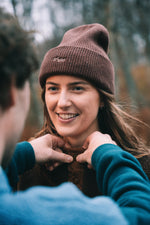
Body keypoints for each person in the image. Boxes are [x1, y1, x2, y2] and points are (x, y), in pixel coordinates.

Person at [1, 9, 150, 224]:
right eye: (52, 89)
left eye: (77, 88)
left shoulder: (141, 166)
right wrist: (25, 154)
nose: (62, 102)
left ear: (102, 98)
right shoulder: (28, 167)